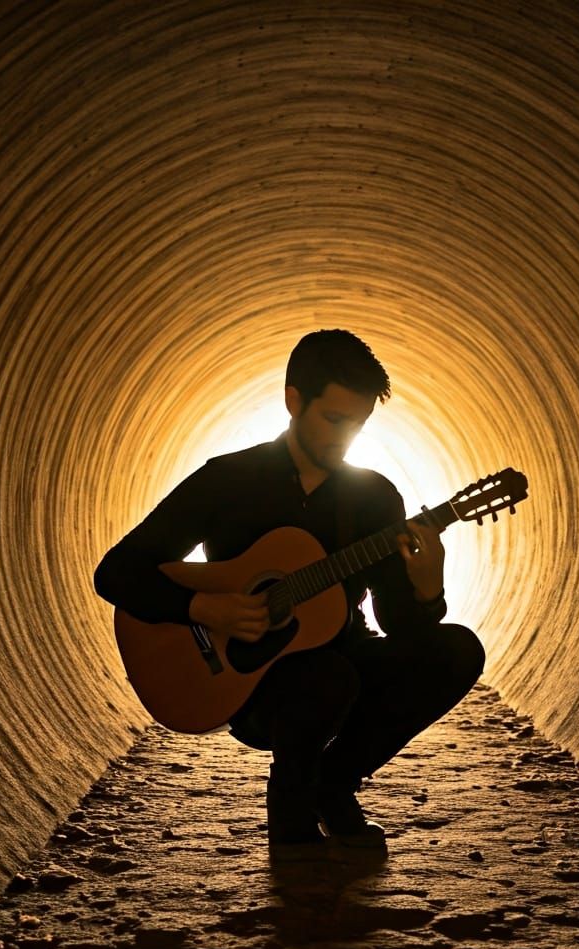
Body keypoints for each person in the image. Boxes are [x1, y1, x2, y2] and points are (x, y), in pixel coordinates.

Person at [94, 329, 485, 851]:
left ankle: (333, 784)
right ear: (293, 399)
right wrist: (204, 606)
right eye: (334, 419)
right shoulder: (227, 480)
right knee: (323, 675)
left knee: (454, 651)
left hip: (345, 661)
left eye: (358, 424)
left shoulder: (374, 498)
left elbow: (402, 627)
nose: (344, 438)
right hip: (251, 681)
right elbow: (117, 572)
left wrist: (426, 587)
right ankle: (292, 818)